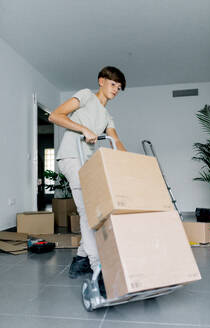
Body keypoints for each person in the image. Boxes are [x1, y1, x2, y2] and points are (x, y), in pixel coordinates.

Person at [49, 66, 126, 278]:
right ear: (101, 81)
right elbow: (55, 116)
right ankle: (98, 268)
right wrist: (83, 129)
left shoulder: (107, 115)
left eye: (119, 88)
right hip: (72, 157)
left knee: (94, 210)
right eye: (113, 84)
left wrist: (129, 163)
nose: (116, 90)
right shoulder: (85, 96)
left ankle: (81, 259)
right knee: (87, 211)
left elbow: (116, 140)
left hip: (88, 163)